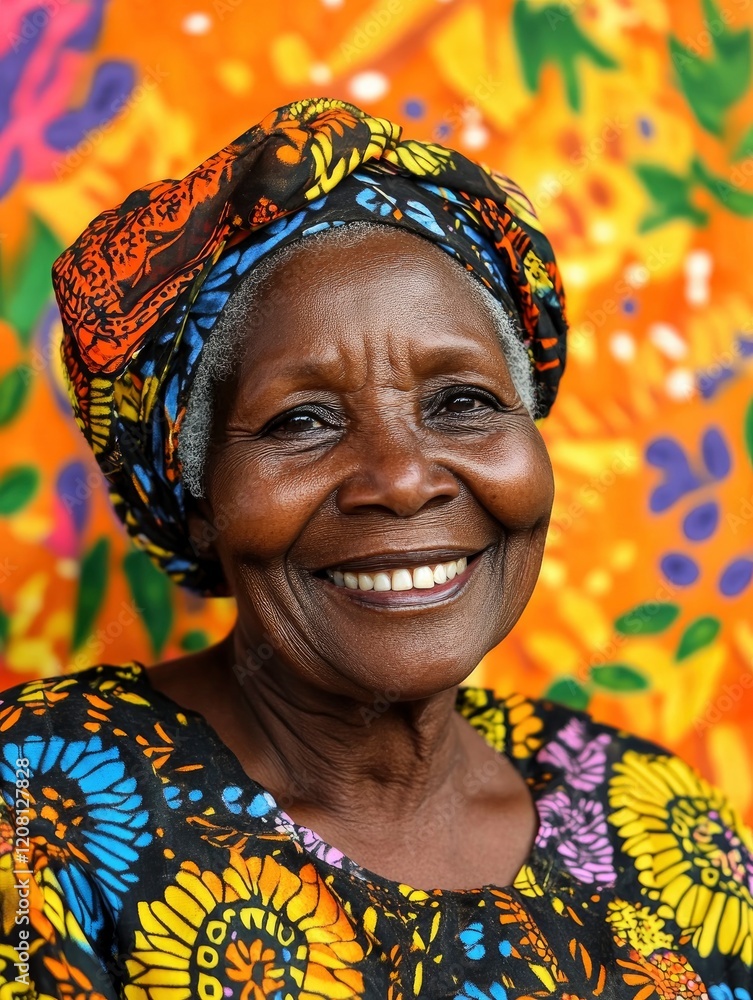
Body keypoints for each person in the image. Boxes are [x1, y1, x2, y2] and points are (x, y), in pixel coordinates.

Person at [1, 97, 751, 999]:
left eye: (461, 403)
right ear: (198, 496)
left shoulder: (656, 822)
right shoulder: (42, 812)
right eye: (302, 420)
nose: (401, 480)